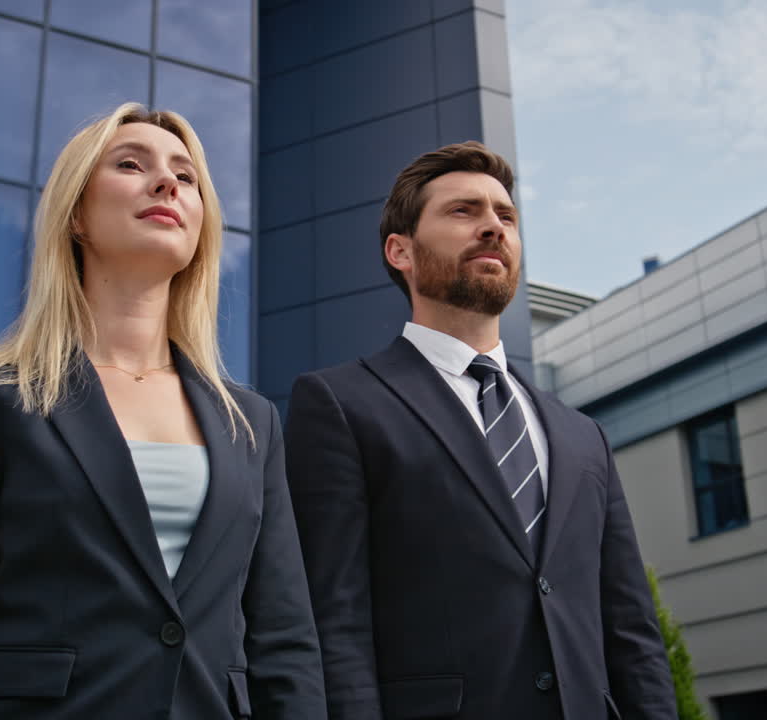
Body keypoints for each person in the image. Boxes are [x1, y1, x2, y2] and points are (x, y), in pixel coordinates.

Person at [0, 103, 325, 720]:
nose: (166, 183)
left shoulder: (251, 423)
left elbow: (285, 641)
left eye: (185, 177)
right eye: (131, 165)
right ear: (77, 215)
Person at [284, 141, 675, 719]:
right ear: (401, 251)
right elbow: (333, 621)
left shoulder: (581, 434)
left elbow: (631, 629)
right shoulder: (340, 404)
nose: (493, 226)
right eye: (464, 211)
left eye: (506, 216)